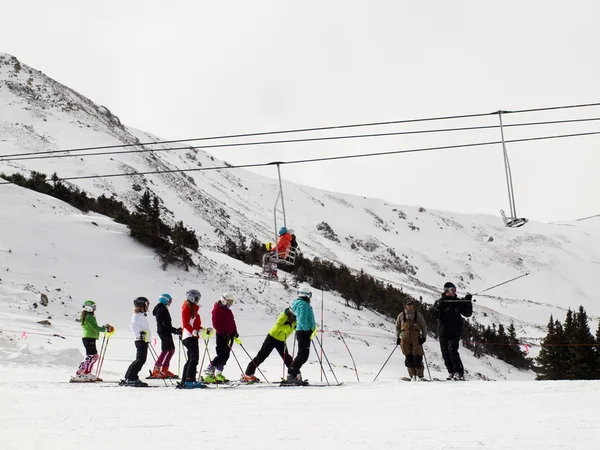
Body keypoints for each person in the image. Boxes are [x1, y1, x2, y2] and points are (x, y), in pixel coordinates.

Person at [242, 307, 296, 383]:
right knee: (261, 356)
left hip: (281, 340)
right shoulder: (284, 315)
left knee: (286, 357)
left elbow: (296, 326)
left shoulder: (295, 318)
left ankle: (294, 374)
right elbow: (277, 327)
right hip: (272, 337)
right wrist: (288, 326)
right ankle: (248, 374)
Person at [432, 282, 473, 381]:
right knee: (445, 352)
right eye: (452, 290)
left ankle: (459, 373)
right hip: (443, 331)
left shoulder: (458, 302)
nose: (455, 292)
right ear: (446, 290)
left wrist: (467, 302)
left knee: (452, 351)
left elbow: (467, 314)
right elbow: (433, 315)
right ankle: (451, 372)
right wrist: (438, 307)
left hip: (455, 331)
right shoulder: (440, 302)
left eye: (455, 290)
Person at [72, 300, 114, 382]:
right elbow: (95, 328)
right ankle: (86, 373)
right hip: (88, 338)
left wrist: (104, 327)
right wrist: (106, 329)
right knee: (92, 356)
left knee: (91, 356)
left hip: (89, 337)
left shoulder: (89, 316)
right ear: (88, 307)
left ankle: (81, 372)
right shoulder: (88, 317)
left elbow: (94, 327)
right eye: (93, 307)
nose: (95, 308)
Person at [204, 292, 238, 383]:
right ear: (224, 300)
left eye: (232, 302)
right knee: (221, 355)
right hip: (221, 335)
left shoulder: (228, 311)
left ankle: (218, 373)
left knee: (226, 355)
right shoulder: (217, 310)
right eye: (229, 302)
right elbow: (216, 324)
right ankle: (209, 370)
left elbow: (232, 322)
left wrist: (235, 331)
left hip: (230, 336)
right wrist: (223, 333)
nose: (230, 304)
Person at [286, 284, 317, 384]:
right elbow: (302, 318)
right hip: (304, 332)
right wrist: (308, 330)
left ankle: (293, 372)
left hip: (303, 331)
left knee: (303, 354)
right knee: (303, 355)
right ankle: (292, 373)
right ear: (306, 295)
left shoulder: (301, 303)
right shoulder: (303, 304)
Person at [150, 293, 182, 379]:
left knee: (171, 350)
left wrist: (174, 330)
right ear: (165, 300)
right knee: (166, 350)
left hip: (165, 331)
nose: (170, 302)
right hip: (164, 332)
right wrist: (175, 330)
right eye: (170, 300)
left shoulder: (162, 308)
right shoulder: (162, 309)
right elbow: (165, 324)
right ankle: (156, 370)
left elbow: (166, 324)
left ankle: (164, 369)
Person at [122, 297, 151, 387]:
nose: (147, 307)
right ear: (142, 305)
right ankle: (131, 378)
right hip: (140, 340)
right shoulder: (137, 316)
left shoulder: (140, 315)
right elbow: (133, 326)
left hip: (143, 340)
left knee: (140, 359)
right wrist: (139, 335)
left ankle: (129, 377)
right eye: (146, 305)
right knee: (140, 359)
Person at [395, 299, 428, 381]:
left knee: (417, 358)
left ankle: (420, 376)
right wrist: (398, 337)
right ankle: (412, 376)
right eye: (408, 304)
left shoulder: (418, 315)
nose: (410, 306)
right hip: (404, 340)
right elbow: (397, 327)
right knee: (408, 358)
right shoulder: (401, 316)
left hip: (416, 340)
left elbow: (424, 326)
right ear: (405, 305)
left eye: (411, 304)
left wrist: (423, 337)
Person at [180, 289, 205, 388]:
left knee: (191, 358)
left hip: (192, 336)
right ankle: (189, 380)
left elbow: (194, 324)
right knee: (194, 359)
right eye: (197, 298)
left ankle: (186, 379)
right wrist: (193, 331)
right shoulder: (187, 308)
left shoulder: (193, 309)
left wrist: (203, 330)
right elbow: (186, 323)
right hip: (189, 336)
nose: (198, 300)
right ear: (192, 298)